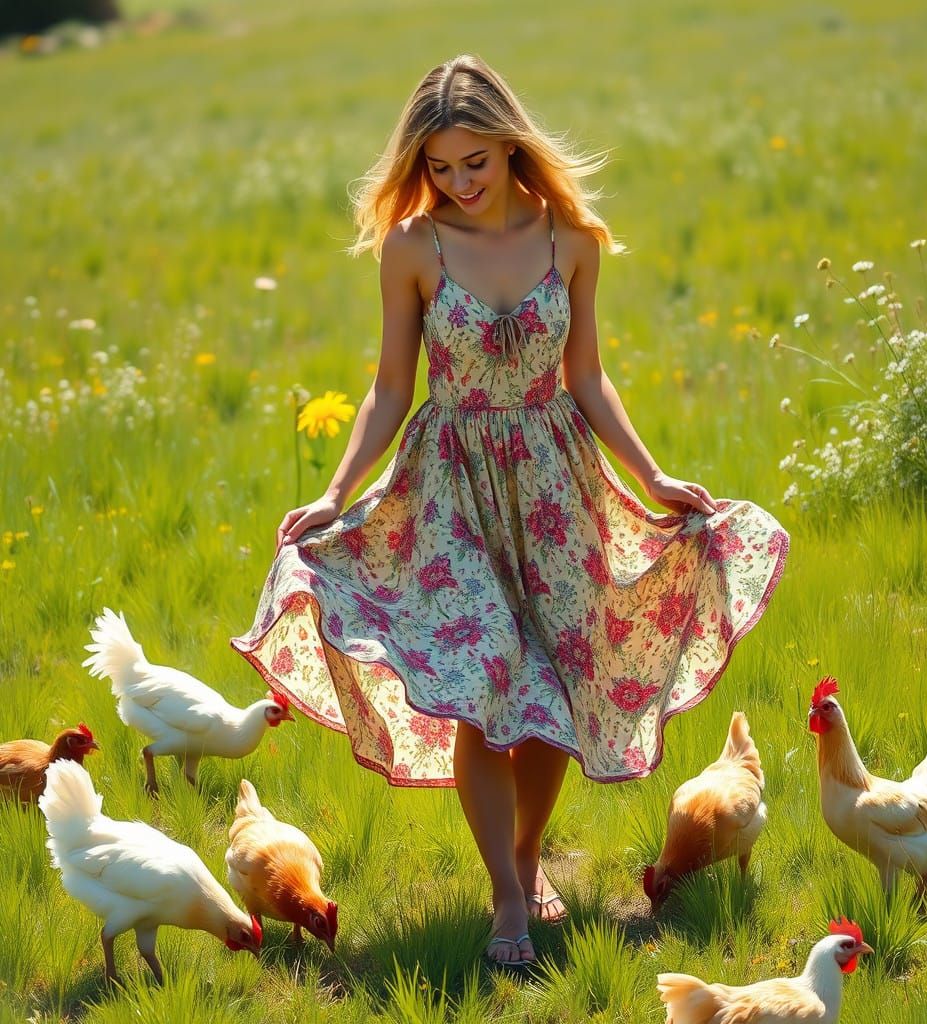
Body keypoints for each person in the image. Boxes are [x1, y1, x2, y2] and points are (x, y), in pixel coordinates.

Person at [232, 54, 788, 968]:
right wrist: (336, 492)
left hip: (556, 485)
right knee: (486, 682)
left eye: (474, 163)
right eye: (440, 166)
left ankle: (529, 855)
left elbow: (588, 378)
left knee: (550, 691)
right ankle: (505, 898)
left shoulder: (571, 240)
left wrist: (650, 476)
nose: (458, 182)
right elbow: (387, 388)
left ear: (508, 143)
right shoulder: (412, 246)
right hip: (448, 491)